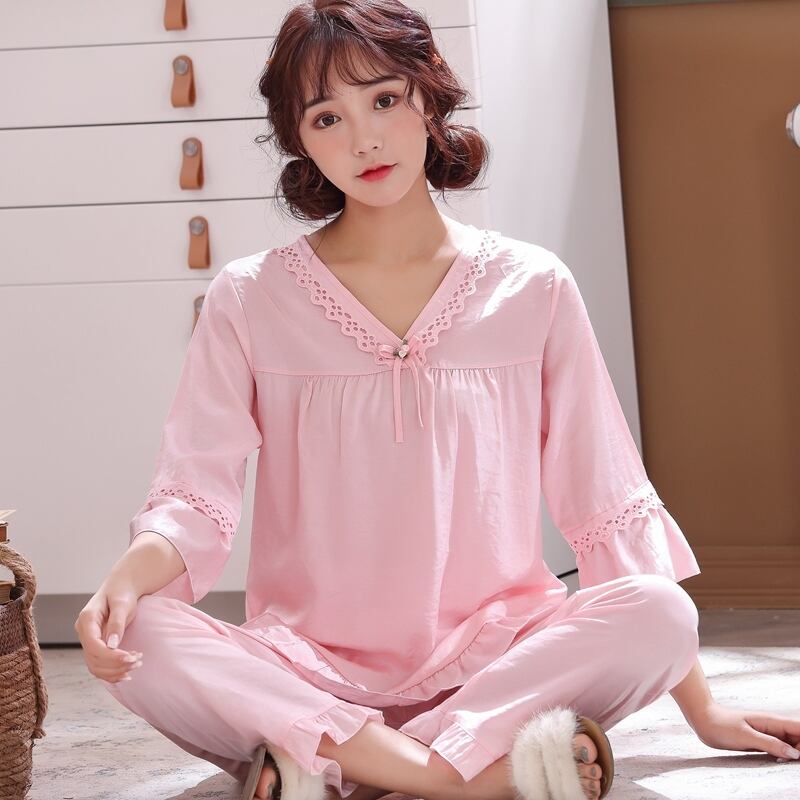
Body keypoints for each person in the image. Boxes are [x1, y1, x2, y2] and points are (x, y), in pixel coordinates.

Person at [73, 2, 800, 800]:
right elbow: (194, 496)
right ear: (300, 141)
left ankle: (344, 770)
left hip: (495, 669)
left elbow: (605, 499)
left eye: (384, 99)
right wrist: (126, 580)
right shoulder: (250, 298)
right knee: (140, 630)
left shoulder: (532, 287)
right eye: (327, 118)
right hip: (308, 668)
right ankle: (453, 779)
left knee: (660, 612)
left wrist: (702, 711)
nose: (364, 139)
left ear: (429, 97)